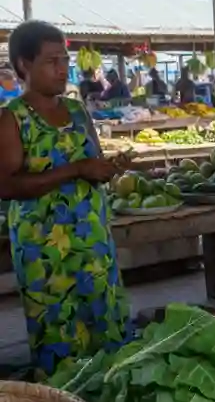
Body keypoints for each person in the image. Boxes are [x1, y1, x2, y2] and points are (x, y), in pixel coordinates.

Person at [0, 20, 131, 373]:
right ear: (24, 65)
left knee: (108, 331)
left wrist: (109, 168)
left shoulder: (76, 111)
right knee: (59, 337)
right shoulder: (12, 119)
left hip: (92, 239)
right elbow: (6, 185)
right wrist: (75, 170)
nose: (63, 69)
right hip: (44, 251)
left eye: (65, 59)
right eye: (51, 61)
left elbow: (93, 163)